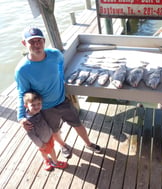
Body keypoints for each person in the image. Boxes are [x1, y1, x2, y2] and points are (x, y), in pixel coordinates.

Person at [15, 27, 101, 159]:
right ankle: (63, 145)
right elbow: (22, 93)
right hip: (45, 108)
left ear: (44, 41)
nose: (36, 44)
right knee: (54, 130)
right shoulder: (22, 70)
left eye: (39, 40)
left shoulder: (55, 54)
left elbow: (61, 64)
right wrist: (21, 117)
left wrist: (61, 78)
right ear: (24, 44)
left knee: (77, 122)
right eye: (32, 42)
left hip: (62, 100)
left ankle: (88, 143)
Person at [23, 91, 68, 171]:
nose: (36, 107)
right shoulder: (28, 122)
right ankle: (55, 162)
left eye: (39, 104)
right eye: (33, 105)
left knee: (44, 151)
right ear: (26, 106)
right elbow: (32, 136)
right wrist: (41, 144)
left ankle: (46, 160)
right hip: (43, 141)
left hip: (48, 136)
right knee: (51, 150)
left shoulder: (38, 112)